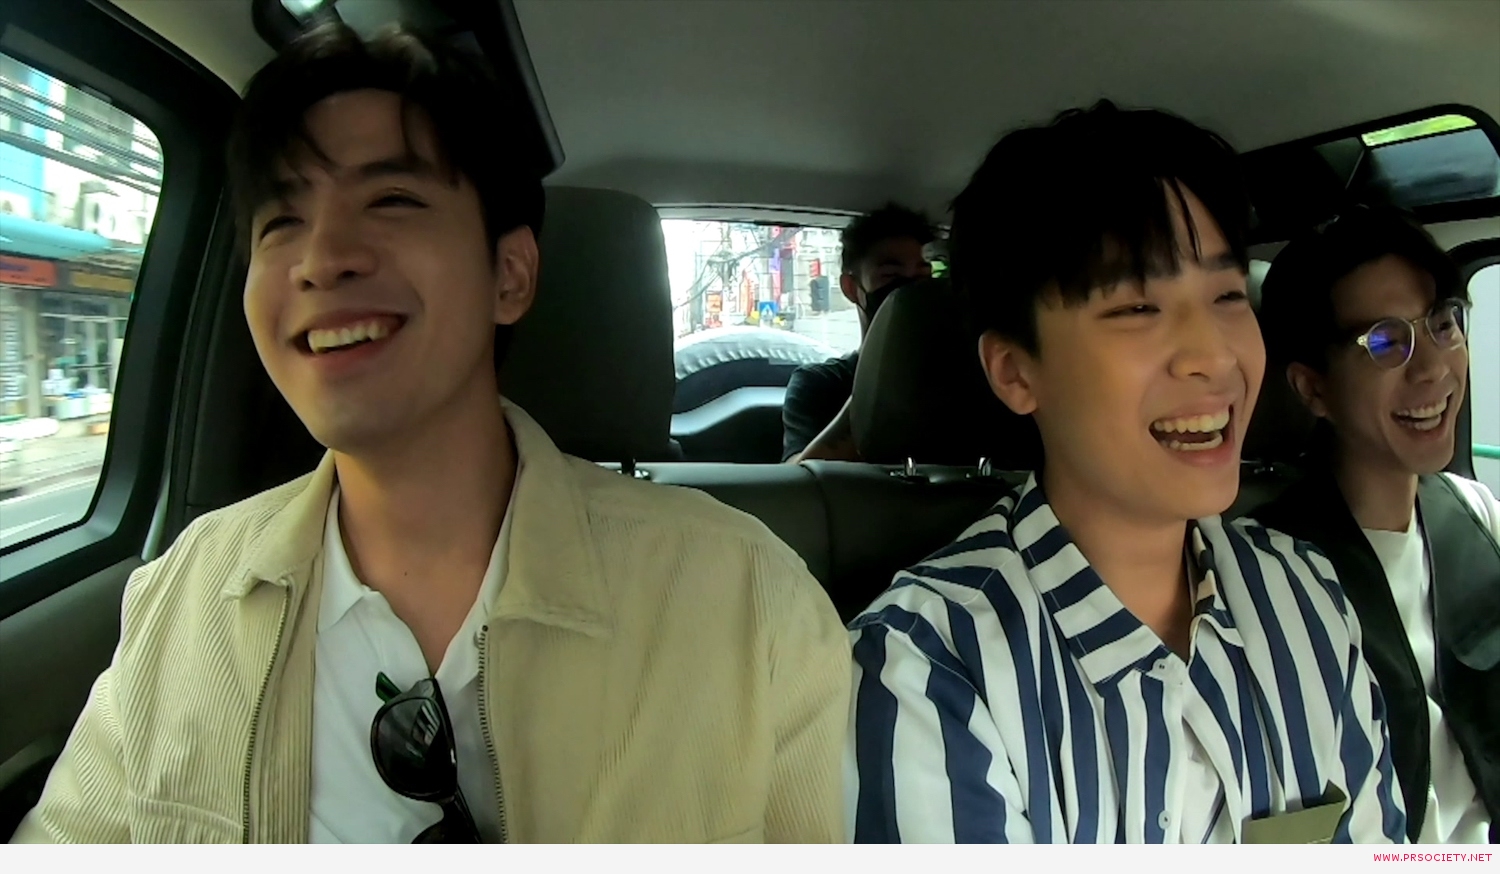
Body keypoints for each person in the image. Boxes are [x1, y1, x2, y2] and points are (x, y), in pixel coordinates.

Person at [12, 23, 849, 844]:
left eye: (392, 200)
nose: (321, 259)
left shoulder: (746, 601)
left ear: (510, 275)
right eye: (280, 223)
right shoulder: (183, 597)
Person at [846, 102, 1406, 843]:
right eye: (1139, 306)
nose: (1214, 355)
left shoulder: (1306, 596)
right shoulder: (928, 668)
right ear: (1015, 372)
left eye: (1228, 295)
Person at [1252, 205, 1498, 844]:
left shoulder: (1478, 515)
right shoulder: (1266, 575)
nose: (1433, 369)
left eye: (1442, 324)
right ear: (1313, 389)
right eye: (1386, 343)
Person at [781, 203, 933, 462]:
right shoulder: (819, 384)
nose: (910, 293)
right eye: (891, 276)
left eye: (923, 277)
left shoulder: (969, 374)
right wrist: (884, 384)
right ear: (851, 288)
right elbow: (798, 475)